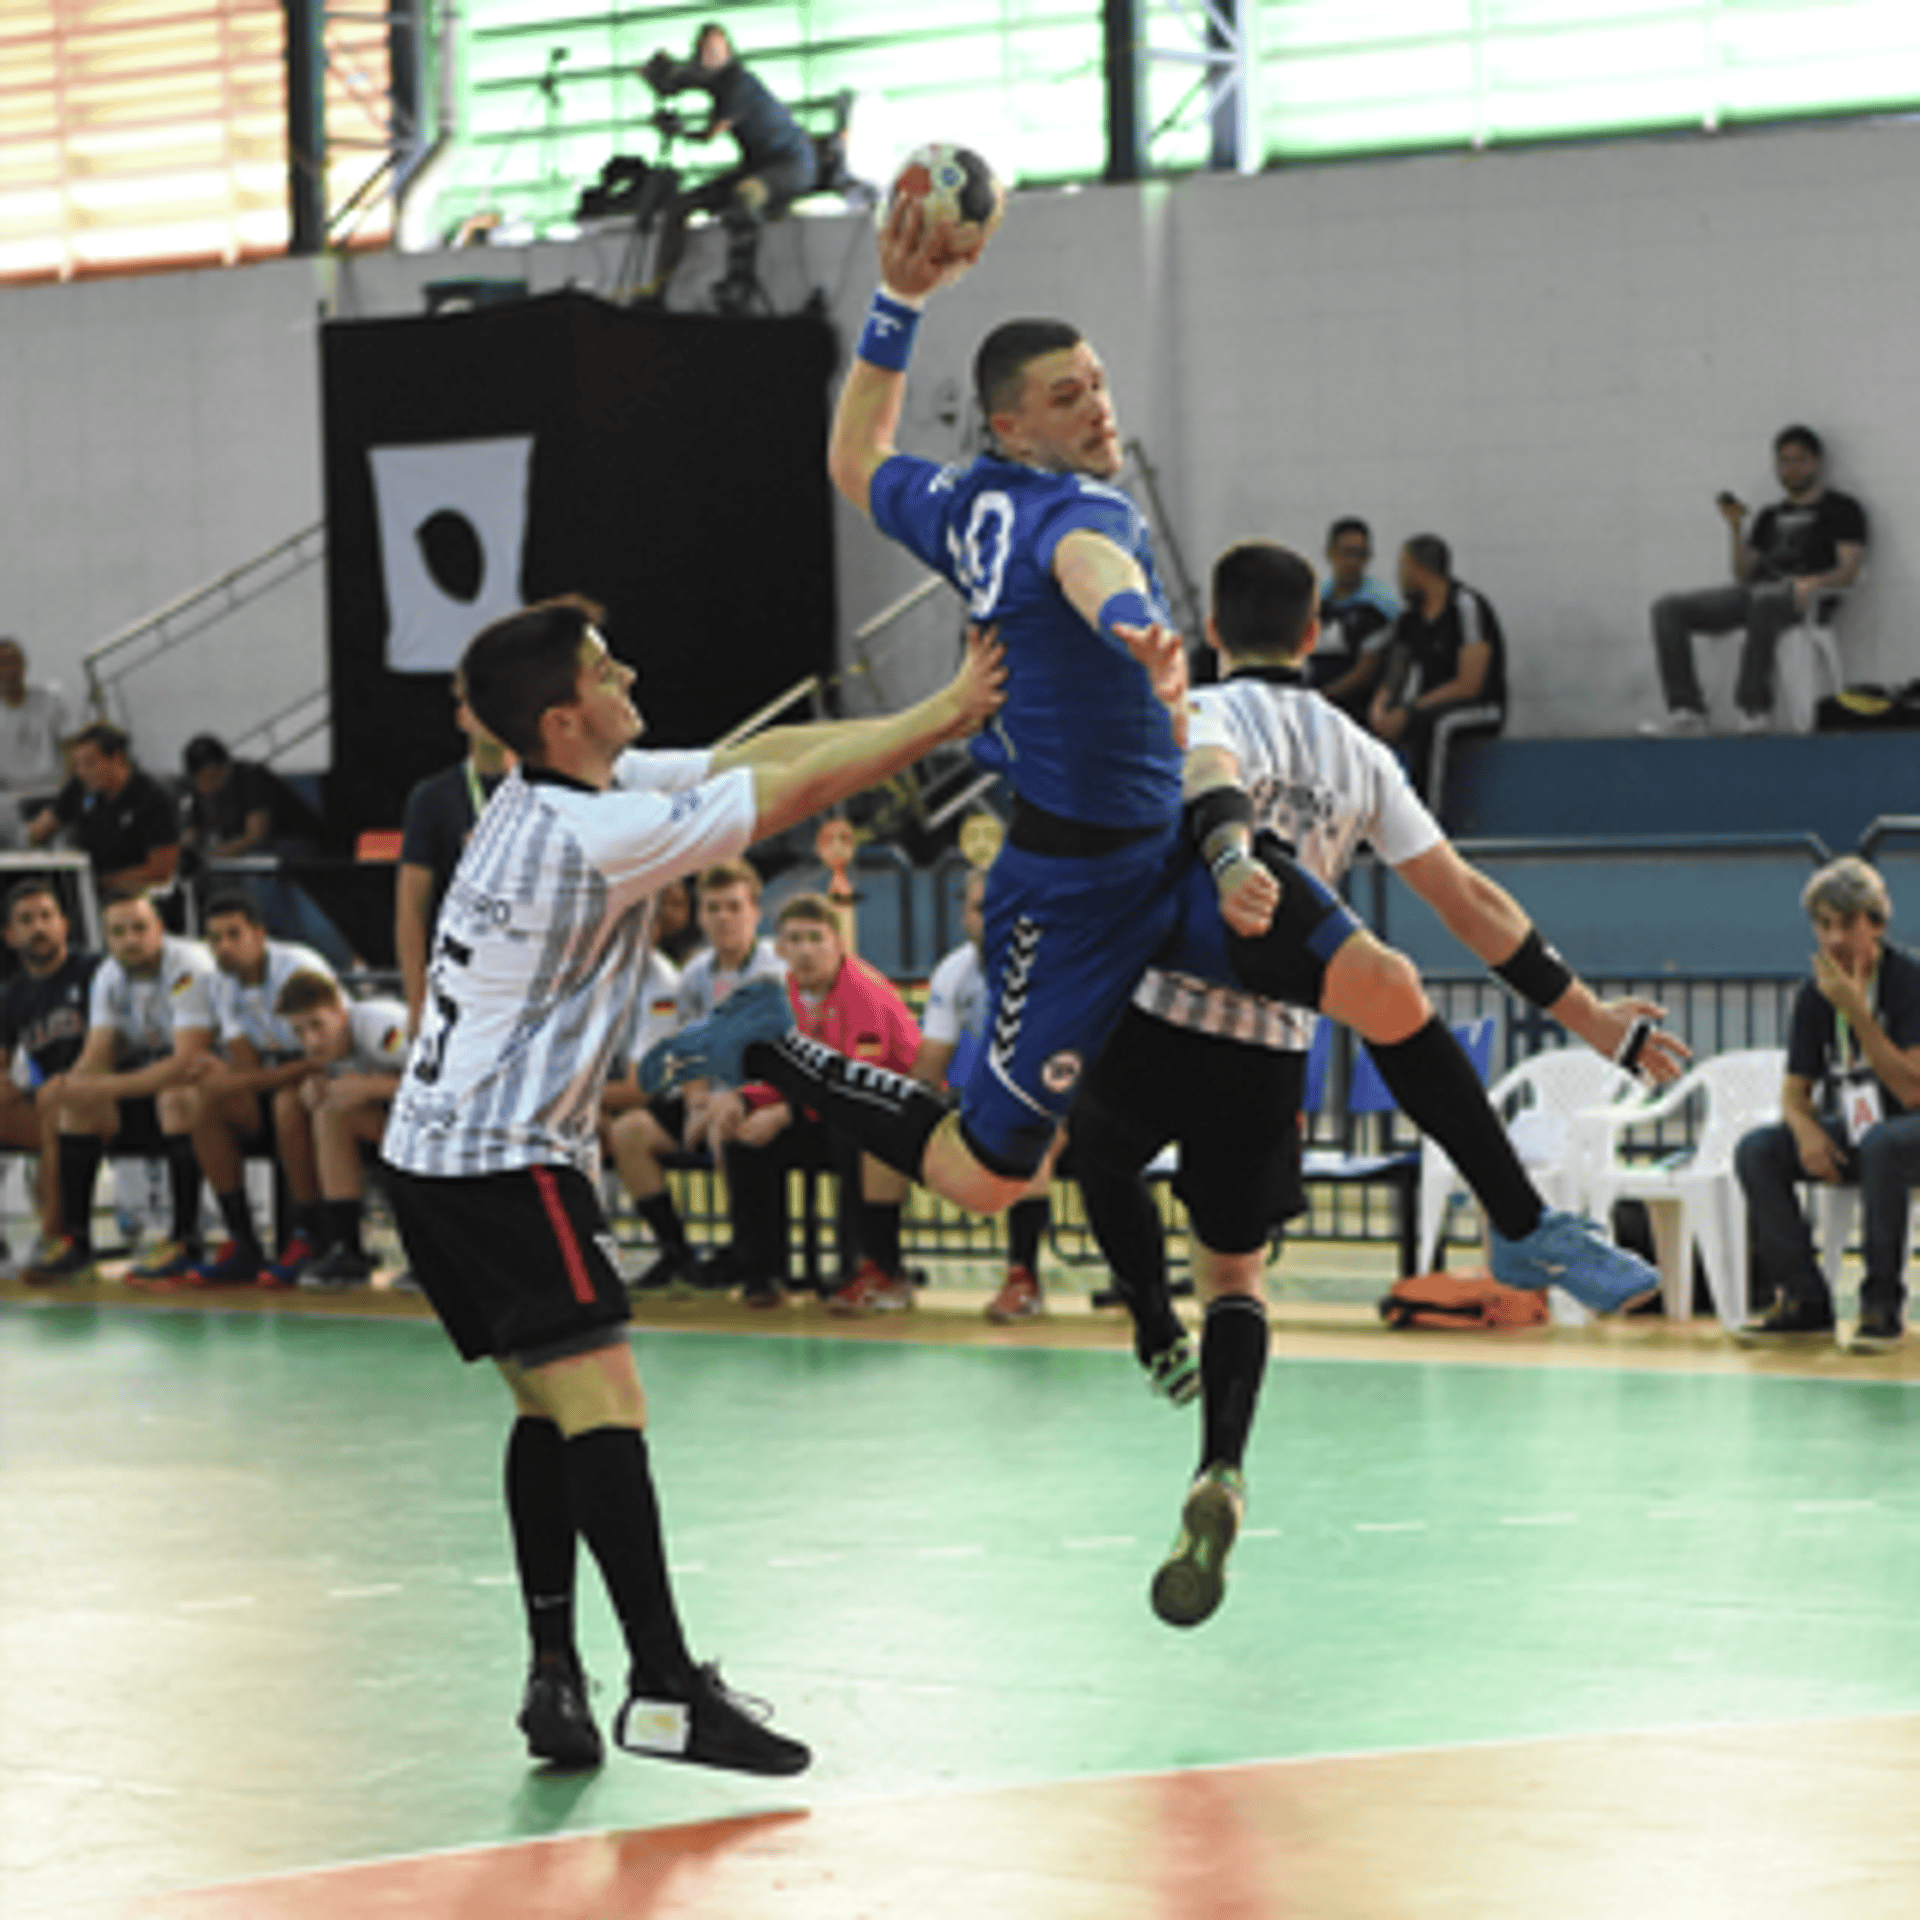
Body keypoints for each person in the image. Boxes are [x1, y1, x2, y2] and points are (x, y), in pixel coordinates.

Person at [650, 197, 1664, 1350]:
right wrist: (1135, 623)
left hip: (1169, 854)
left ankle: (1522, 1225)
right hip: (1068, 888)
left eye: (1098, 381)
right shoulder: (1078, 515)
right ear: (1011, 429)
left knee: (1384, 984)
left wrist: (900, 303)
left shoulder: (957, 502)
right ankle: (772, 1043)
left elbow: (855, 458)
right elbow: (1088, 567)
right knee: (984, 1178)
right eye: (1067, 395)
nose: (1099, 406)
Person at [377, 591, 1003, 1776]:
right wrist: (948, 714)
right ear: (563, 720)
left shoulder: (549, 788)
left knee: (545, 1409)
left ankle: (555, 1673)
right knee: (607, 1405)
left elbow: (749, 758)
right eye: (606, 671)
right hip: (499, 1162)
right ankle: (664, 1689)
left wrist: (922, 716)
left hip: (437, 1152)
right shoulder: (588, 835)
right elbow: (793, 797)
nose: (629, 676)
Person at [1066, 539, 1689, 1628]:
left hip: (1159, 1013)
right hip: (1268, 1047)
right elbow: (1466, 898)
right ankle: (1220, 1465)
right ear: (1315, 636)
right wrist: (1590, 1015)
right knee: (1239, 1279)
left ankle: (1144, 1320)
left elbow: (1178, 793)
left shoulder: (1202, 712)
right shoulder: (1358, 749)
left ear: (1216, 632)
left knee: (1102, 1155)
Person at [1736, 857, 1920, 1354]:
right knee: (1758, 1150)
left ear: (1876, 924)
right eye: (1823, 925)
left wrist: (1856, 1011)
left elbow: (1911, 1090)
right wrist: (1806, 1132)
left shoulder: (1908, 980)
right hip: (1867, 1132)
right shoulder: (1813, 995)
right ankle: (1804, 1301)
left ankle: (1882, 1306)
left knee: (1884, 1143)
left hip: (1910, 1130)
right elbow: (1795, 1092)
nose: (1833, 938)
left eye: (1847, 923)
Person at [712, 892, 923, 1312]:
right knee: (743, 1137)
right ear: (781, 949)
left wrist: (785, 1112)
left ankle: (873, 1268)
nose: (806, 950)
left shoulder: (864, 994)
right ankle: (761, 1272)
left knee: (851, 1132)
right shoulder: (784, 995)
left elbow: (859, 1087)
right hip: (823, 1111)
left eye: (816, 938)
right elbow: (781, 1069)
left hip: (890, 1119)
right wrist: (742, 1098)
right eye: (795, 939)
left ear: (838, 944)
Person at [610, 858, 787, 1295]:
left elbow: (785, 1056)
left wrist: (736, 1102)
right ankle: (676, 1252)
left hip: (765, 1098)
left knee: (730, 1131)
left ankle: (755, 1261)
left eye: (733, 907)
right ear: (700, 915)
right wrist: (695, 1104)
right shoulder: (693, 974)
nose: (723, 918)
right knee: (630, 1131)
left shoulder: (776, 971)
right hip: (710, 1095)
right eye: (713, 908)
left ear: (755, 913)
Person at [19, 892, 215, 1285]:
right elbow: (97, 1052)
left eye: (140, 928)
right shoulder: (109, 975)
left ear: (159, 929)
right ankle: (76, 1243)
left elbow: (185, 1062)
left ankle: (185, 1241)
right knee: (76, 1106)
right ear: (107, 939)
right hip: (152, 1093)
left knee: (175, 1097)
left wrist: (104, 1088)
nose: (130, 939)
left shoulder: (188, 967)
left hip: (212, 1093)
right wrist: (70, 1085)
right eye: (118, 932)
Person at [147, 890, 337, 1287]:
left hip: (330, 1081)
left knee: (286, 1102)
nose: (224, 947)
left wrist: (238, 1075)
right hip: (280, 1079)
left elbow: (325, 1054)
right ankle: (242, 1241)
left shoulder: (297, 966)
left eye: (234, 935)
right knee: (204, 1101)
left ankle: (308, 1236)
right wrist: (220, 1071)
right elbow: (247, 1062)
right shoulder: (220, 983)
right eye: (215, 938)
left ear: (259, 934)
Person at [1645, 425, 1868, 736]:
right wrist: (1736, 528)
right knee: (1669, 608)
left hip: (1803, 598)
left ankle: (1754, 708)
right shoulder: (1768, 515)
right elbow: (1742, 572)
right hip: (1756, 592)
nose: (1791, 469)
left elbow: (1849, 571)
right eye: (1784, 461)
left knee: (1765, 599)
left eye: (1799, 460)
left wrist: (1814, 581)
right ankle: (1687, 709)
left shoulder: (1843, 508)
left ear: (1816, 462)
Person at [913, 863, 1053, 1322]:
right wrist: (907, 1115)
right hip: (992, 1101)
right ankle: (880, 1269)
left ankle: (1023, 1277)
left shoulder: (1054, 964)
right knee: (887, 1126)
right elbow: (928, 1068)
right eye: (980, 909)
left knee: (1031, 1129)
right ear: (965, 918)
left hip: (1069, 1100)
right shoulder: (954, 972)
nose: (993, 919)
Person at [637, 23, 817, 311]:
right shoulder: (717, 79)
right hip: (756, 165)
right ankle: (660, 287)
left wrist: (679, 131)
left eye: (712, 51)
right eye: (701, 51)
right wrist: (659, 77)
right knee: (680, 206)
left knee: (745, 194)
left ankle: (740, 282)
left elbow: (712, 133)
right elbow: (680, 82)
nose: (705, 58)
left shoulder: (739, 84)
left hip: (789, 166)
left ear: (727, 52)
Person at [275, 969, 411, 1287]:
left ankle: (433, 1255)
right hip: (400, 1129)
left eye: (317, 1025)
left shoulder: (382, 1026)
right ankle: (346, 1249)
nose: (310, 1040)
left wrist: (373, 1087)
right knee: (329, 1112)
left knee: (337, 1109)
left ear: (339, 1010)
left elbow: (449, 1082)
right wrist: (320, 1085)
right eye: (299, 1032)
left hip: (451, 1131)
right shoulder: (330, 1047)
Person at [396, 670, 513, 1032]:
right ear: (463, 716)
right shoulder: (432, 799)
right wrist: (418, 1004)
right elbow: (411, 912)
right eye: (480, 705)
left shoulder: (547, 790)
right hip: (464, 986)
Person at [1367, 535, 1505, 811]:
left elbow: (1469, 684)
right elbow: (1397, 671)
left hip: (1480, 707)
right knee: (1364, 729)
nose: (1400, 577)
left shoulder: (1466, 606)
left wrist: (1408, 711)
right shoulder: (1411, 617)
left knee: (1436, 727)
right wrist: (1380, 709)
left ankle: (1427, 823)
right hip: (1426, 707)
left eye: (1402, 568)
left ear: (1418, 569)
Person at [0, 879, 97, 1259]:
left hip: (103, 1097)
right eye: (26, 919)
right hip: (48, 1102)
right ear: (9, 935)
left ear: (64, 925)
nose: (39, 926)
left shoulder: (94, 970)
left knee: (56, 1108)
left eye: (46, 916)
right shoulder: (13, 994)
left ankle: (55, 1241)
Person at [26, 722, 179, 901]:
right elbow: (41, 828)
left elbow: (160, 871)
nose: (83, 772)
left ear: (116, 758)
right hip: (87, 887)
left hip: (134, 894)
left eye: (90, 763)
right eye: (77, 766)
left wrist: (100, 884)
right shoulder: (80, 788)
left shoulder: (151, 797)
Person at [1309, 517, 1398, 722]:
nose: (1353, 562)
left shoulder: (1380, 606)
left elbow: (1366, 671)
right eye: (1346, 553)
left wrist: (1321, 697)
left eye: (1360, 555)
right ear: (1329, 553)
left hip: (1356, 710)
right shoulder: (1315, 601)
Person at [0, 639, 70, 847]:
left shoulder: (52, 699)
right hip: (11, 801)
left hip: (55, 795)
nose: (9, 670)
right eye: (2, 663)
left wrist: (65, 800)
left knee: (63, 844)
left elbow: (73, 749)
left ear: (24, 666)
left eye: (14, 662)